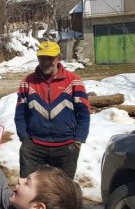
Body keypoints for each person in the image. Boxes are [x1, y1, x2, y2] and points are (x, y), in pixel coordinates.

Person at [14, 41, 90, 179]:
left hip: (66, 146)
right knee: (28, 190)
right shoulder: (28, 82)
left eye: (50, 58)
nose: (46, 62)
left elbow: (84, 113)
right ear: (38, 58)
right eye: (43, 58)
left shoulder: (73, 80)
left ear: (58, 58)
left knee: (63, 192)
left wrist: (78, 139)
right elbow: (20, 114)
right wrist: (24, 138)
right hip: (34, 146)